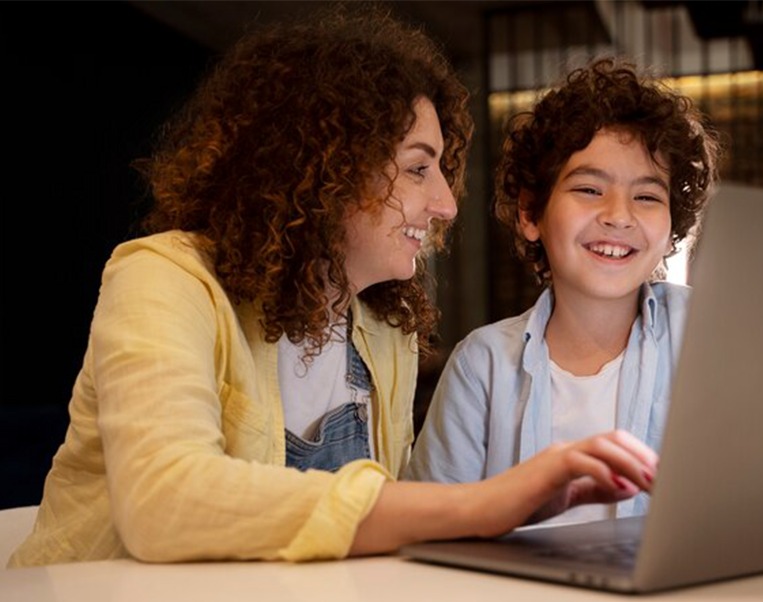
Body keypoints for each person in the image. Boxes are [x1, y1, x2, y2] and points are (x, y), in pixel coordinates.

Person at [7, 9, 658, 568]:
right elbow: (163, 500)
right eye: (416, 169)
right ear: (324, 169)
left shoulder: (386, 334)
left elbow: (375, 537)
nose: (444, 204)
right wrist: (483, 502)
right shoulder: (165, 278)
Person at [404, 58, 722, 524]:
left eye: (648, 196)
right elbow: (427, 523)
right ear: (532, 214)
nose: (619, 215)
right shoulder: (483, 366)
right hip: (515, 597)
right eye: (590, 189)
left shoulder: (711, 334)